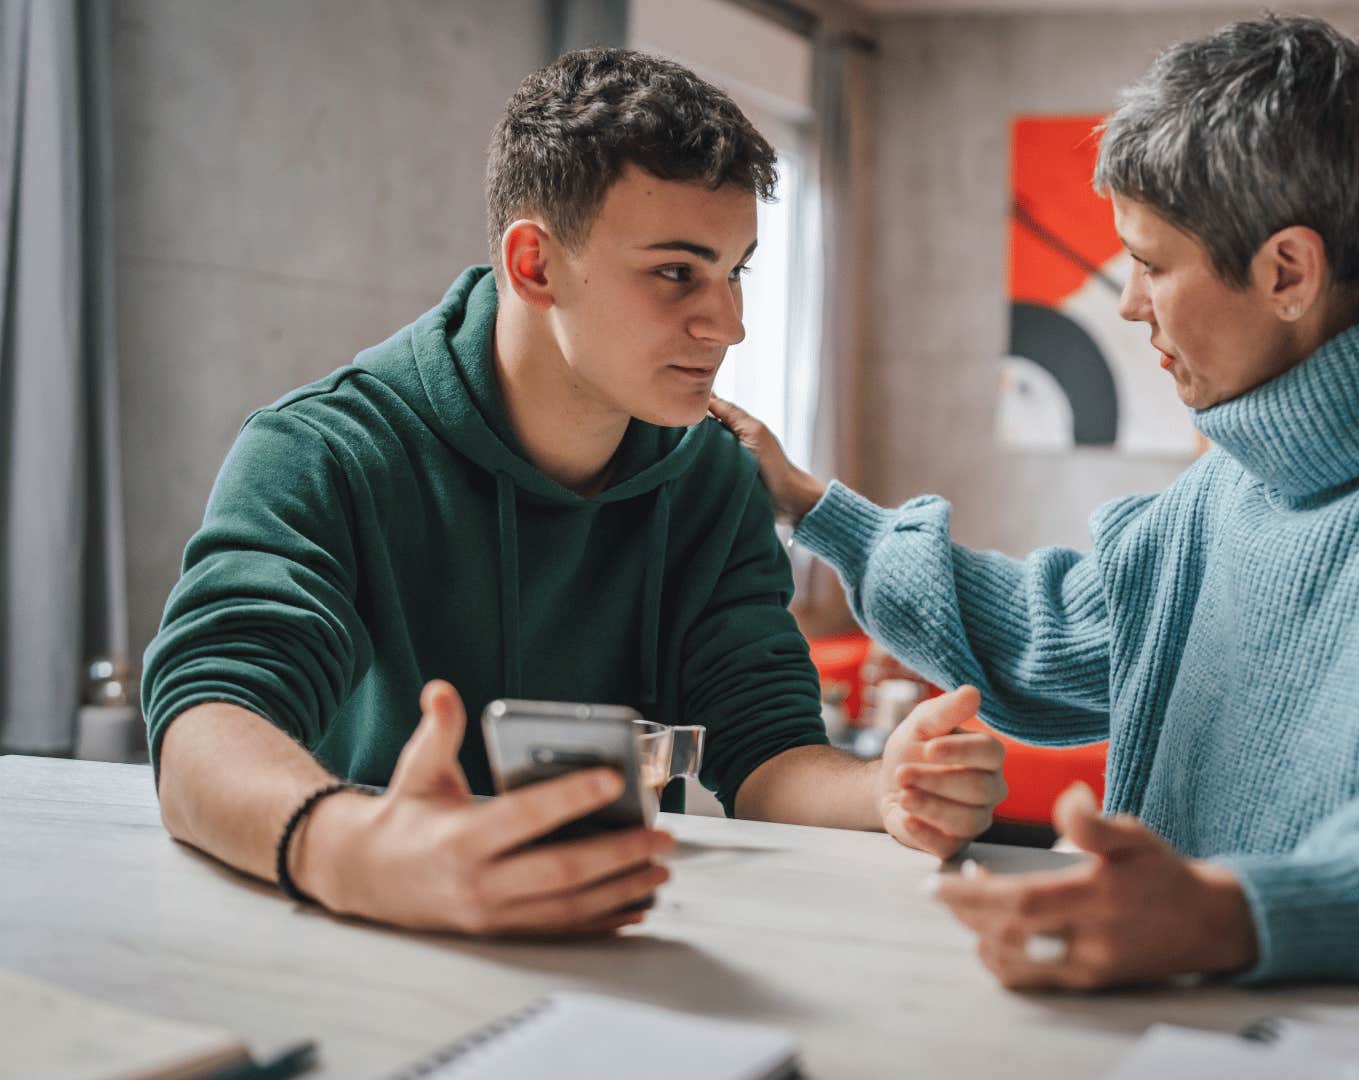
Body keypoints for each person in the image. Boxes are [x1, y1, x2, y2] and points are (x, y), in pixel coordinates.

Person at [712, 14, 1359, 990]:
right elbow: (1041, 638)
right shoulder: (1223, 491)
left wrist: (1237, 913)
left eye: (1149, 263)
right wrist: (811, 502)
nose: (1129, 304)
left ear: (1287, 271)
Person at [141, 48, 1006, 938]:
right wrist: (354, 849)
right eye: (678, 271)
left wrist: (887, 789)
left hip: (618, 955)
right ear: (536, 265)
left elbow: (768, 753)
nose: (730, 324)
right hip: (354, 936)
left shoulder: (713, 475)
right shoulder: (320, 449)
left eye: (736, 270)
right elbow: (207, 721)